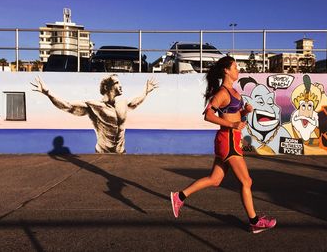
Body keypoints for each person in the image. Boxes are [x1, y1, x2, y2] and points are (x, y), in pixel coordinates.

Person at [170, 56, 276, 234]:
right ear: (226, 70)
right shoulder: (222, 93)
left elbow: (233, 116)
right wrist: (233, 125)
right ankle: (255, 221)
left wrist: (244, 112)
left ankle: (179, 196)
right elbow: (208, 115)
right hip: (228, 140)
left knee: (215, 179)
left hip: (230, 139)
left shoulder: (234, 92)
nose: (238, 70)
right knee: (246, 181)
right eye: (235, 67)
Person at [31, 74, 158, 154]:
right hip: (102, 154)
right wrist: (48, 93)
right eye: (117, 83)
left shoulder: (123, 103)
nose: (121, 85)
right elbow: (68, 106)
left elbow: (136, 102)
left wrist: (146, 92)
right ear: (107, 88)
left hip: (121, 153)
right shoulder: (94, 106)